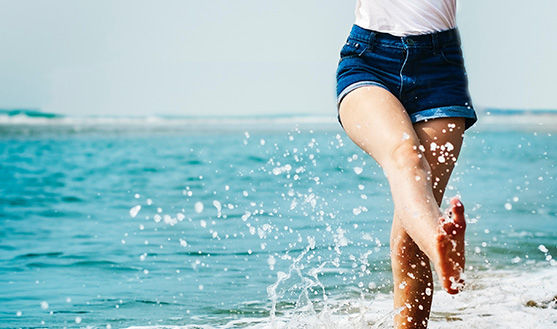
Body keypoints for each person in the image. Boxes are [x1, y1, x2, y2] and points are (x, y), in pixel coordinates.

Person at [336, 1, 476, 328]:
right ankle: (443, 252)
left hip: (440, 71)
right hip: (369, 60)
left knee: (409, 246)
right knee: (405, 155)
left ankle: (437, 246)